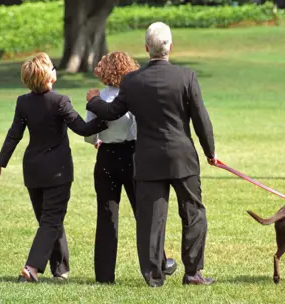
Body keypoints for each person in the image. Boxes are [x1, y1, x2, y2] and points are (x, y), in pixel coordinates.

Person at [85, 22, 217, 287]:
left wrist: (94, 100)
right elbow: (201, 119)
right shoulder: (187, 77)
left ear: (147, 48)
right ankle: (192, 273)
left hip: (147, 159)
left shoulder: (132, 81)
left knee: (151, 220)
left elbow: (111, 114)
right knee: (193, 213)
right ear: (170, 46)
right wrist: (210, 151)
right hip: (182, 157)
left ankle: (154, 277)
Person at [0, 52, 107, 282]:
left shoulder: (23, 102)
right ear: (48, 77)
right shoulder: (60, 101)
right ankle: (31, 268)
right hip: (58, 171)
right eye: (52, 67)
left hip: (32, 171)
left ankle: (60, 269)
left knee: (50, 219)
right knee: (51, 220)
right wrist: (107, 118)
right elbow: (82, 128)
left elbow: (14, 135)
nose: (55, 69)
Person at [84, 51, 177, 284]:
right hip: (133, 156)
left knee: (107, 216)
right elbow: (137, 129)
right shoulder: (135, 97)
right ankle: (159, 262)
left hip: (106, 158)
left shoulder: (97, 97)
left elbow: (90, 134)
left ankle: (104, 275)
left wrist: (98, 140)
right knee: (144, 213)